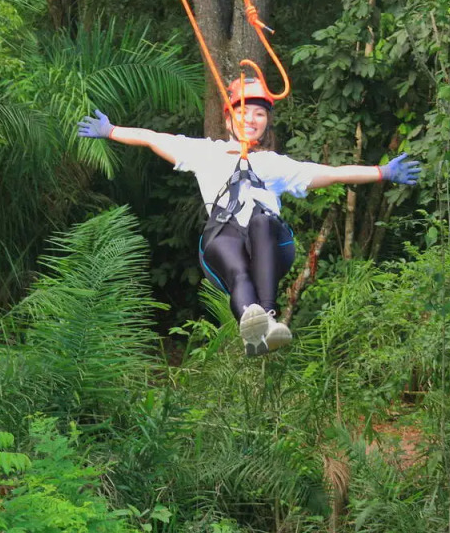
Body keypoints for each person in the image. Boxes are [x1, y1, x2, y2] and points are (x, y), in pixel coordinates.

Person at [78, 76, 421, 356]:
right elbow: (153, 138)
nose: (251, 120)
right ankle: (253, 326)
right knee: (236, 265)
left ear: (266, 123)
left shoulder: (274, 164)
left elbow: (331, 174)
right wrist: (111, 131)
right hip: (223, 246)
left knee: (261, 220)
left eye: (259, 114)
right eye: (243, 113)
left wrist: (381, 172)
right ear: (228, 120)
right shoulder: (204, 153)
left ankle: (267, 317)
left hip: (271, 246)